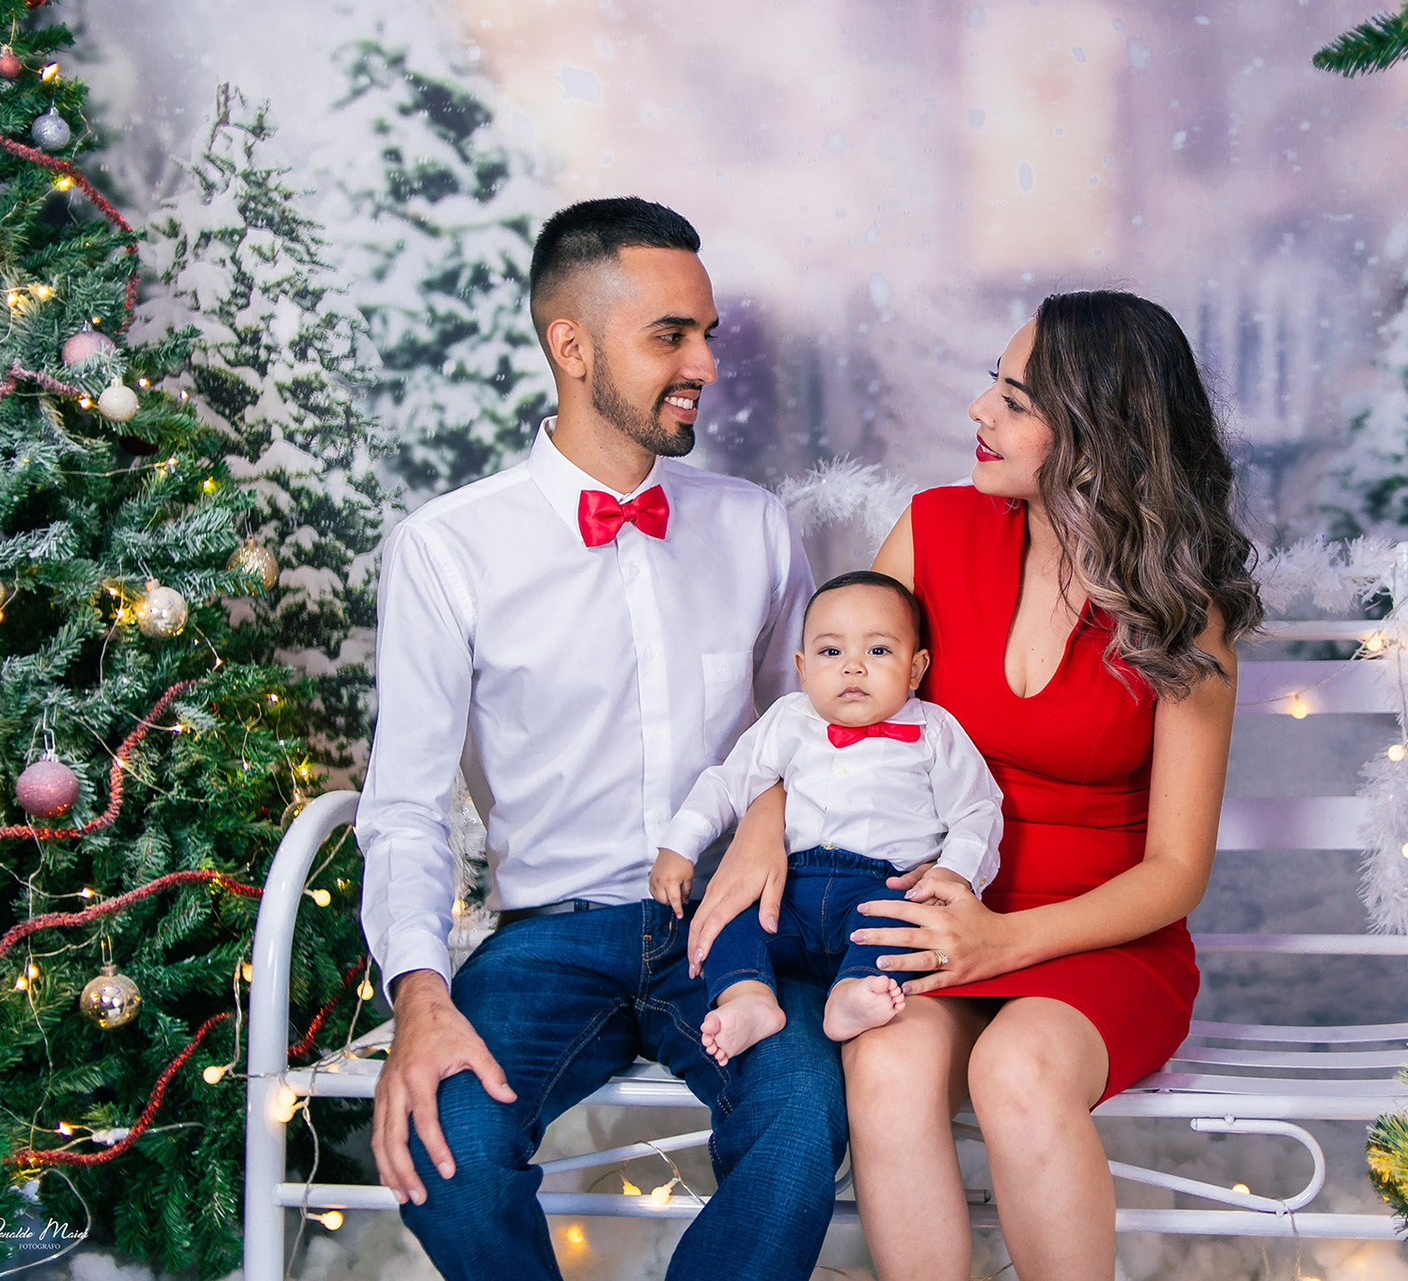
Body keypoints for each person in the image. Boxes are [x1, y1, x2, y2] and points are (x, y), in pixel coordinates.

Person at [691, 289, 1263, 1281]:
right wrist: (762, 817)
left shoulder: (1182, 612)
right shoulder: (934, 530)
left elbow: (1176, 871)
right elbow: (829, 713)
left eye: (1015, 400)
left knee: (1018, 1068)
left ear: (1095, 436)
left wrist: (1007, 939)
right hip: (927, 912)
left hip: (1099, 937)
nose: (979, 412)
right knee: (885, 1059)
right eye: (992, 385)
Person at [356, 196, 845, 1281]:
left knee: (803, 1115)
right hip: (547, 936)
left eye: (707, 333)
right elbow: (404, 809)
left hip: (725, 931)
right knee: (447, 1148)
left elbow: (807, 738)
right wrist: (420, 994)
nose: (705, 364)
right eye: (671, 335)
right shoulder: (448, 548)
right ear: (570, 347)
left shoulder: (755, 525)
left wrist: (769, 830)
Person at [649, 570, 1003, 1064]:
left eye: (878, 650)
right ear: (803, 667)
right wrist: (679, 845)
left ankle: (851, 995)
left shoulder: (934, 731)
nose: (853, 667)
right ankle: (749, 998)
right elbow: (728, 781)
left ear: (915, 668)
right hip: (792, 889)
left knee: (904, 928)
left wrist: (954, 873)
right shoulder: (789, 719)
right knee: (727, 920)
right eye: (831, 652)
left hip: (883, 887)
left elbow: (977, 809)